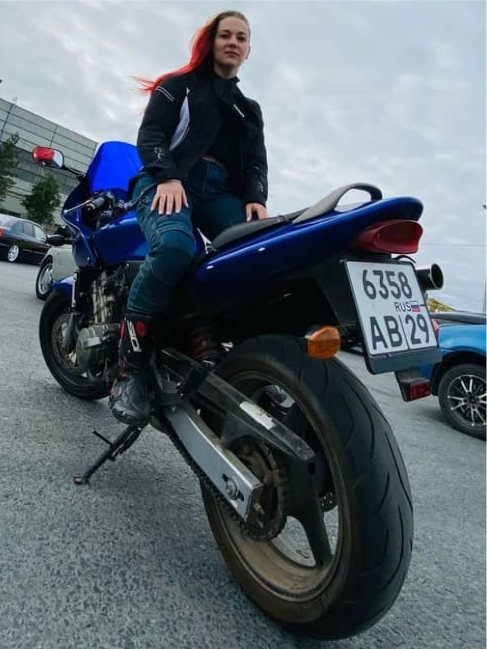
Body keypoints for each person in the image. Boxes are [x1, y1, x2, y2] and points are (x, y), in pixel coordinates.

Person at [109, 10, 269, 427]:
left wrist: (256, 198)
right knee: (175, 246)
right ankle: (130, 368)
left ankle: (234, 353)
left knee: (258, 255)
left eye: (241, 38)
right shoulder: (177, 85)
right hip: (167, 180)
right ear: (211, 42)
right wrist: (167, 175)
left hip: (220, 192)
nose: (233, 42)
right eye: (225, 35)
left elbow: (256, 162)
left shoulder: (249, 110)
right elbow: (151, 135)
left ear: (249, 51)